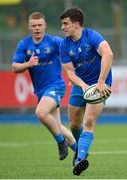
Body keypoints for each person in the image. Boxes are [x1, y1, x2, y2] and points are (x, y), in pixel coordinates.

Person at [12, 11, 77, 161]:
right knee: (58, 126)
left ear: (45, 26)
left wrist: (72, 74)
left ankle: (61, 143)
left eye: (40, 25)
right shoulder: (24, 44)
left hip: (56, 86)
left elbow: (70, 54)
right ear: (29, 27)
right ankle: (80, 152)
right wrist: (28, 64)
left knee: (41, 112)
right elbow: (15, 67)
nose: (37, 28)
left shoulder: (54, 42)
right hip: (41, 91)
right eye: (34, 25)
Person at [59, 7, 113, 175]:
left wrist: (101, 82)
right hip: (79, 85)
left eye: (65, 23)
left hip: (100, 86)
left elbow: (108, 54)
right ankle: (81, 148)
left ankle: (80, 159)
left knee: (88, 121)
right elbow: (69, 72)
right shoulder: (64, 44)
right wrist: (82, 85)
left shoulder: (91, 36)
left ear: (76, 24)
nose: (62, 27)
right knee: (74, 124)